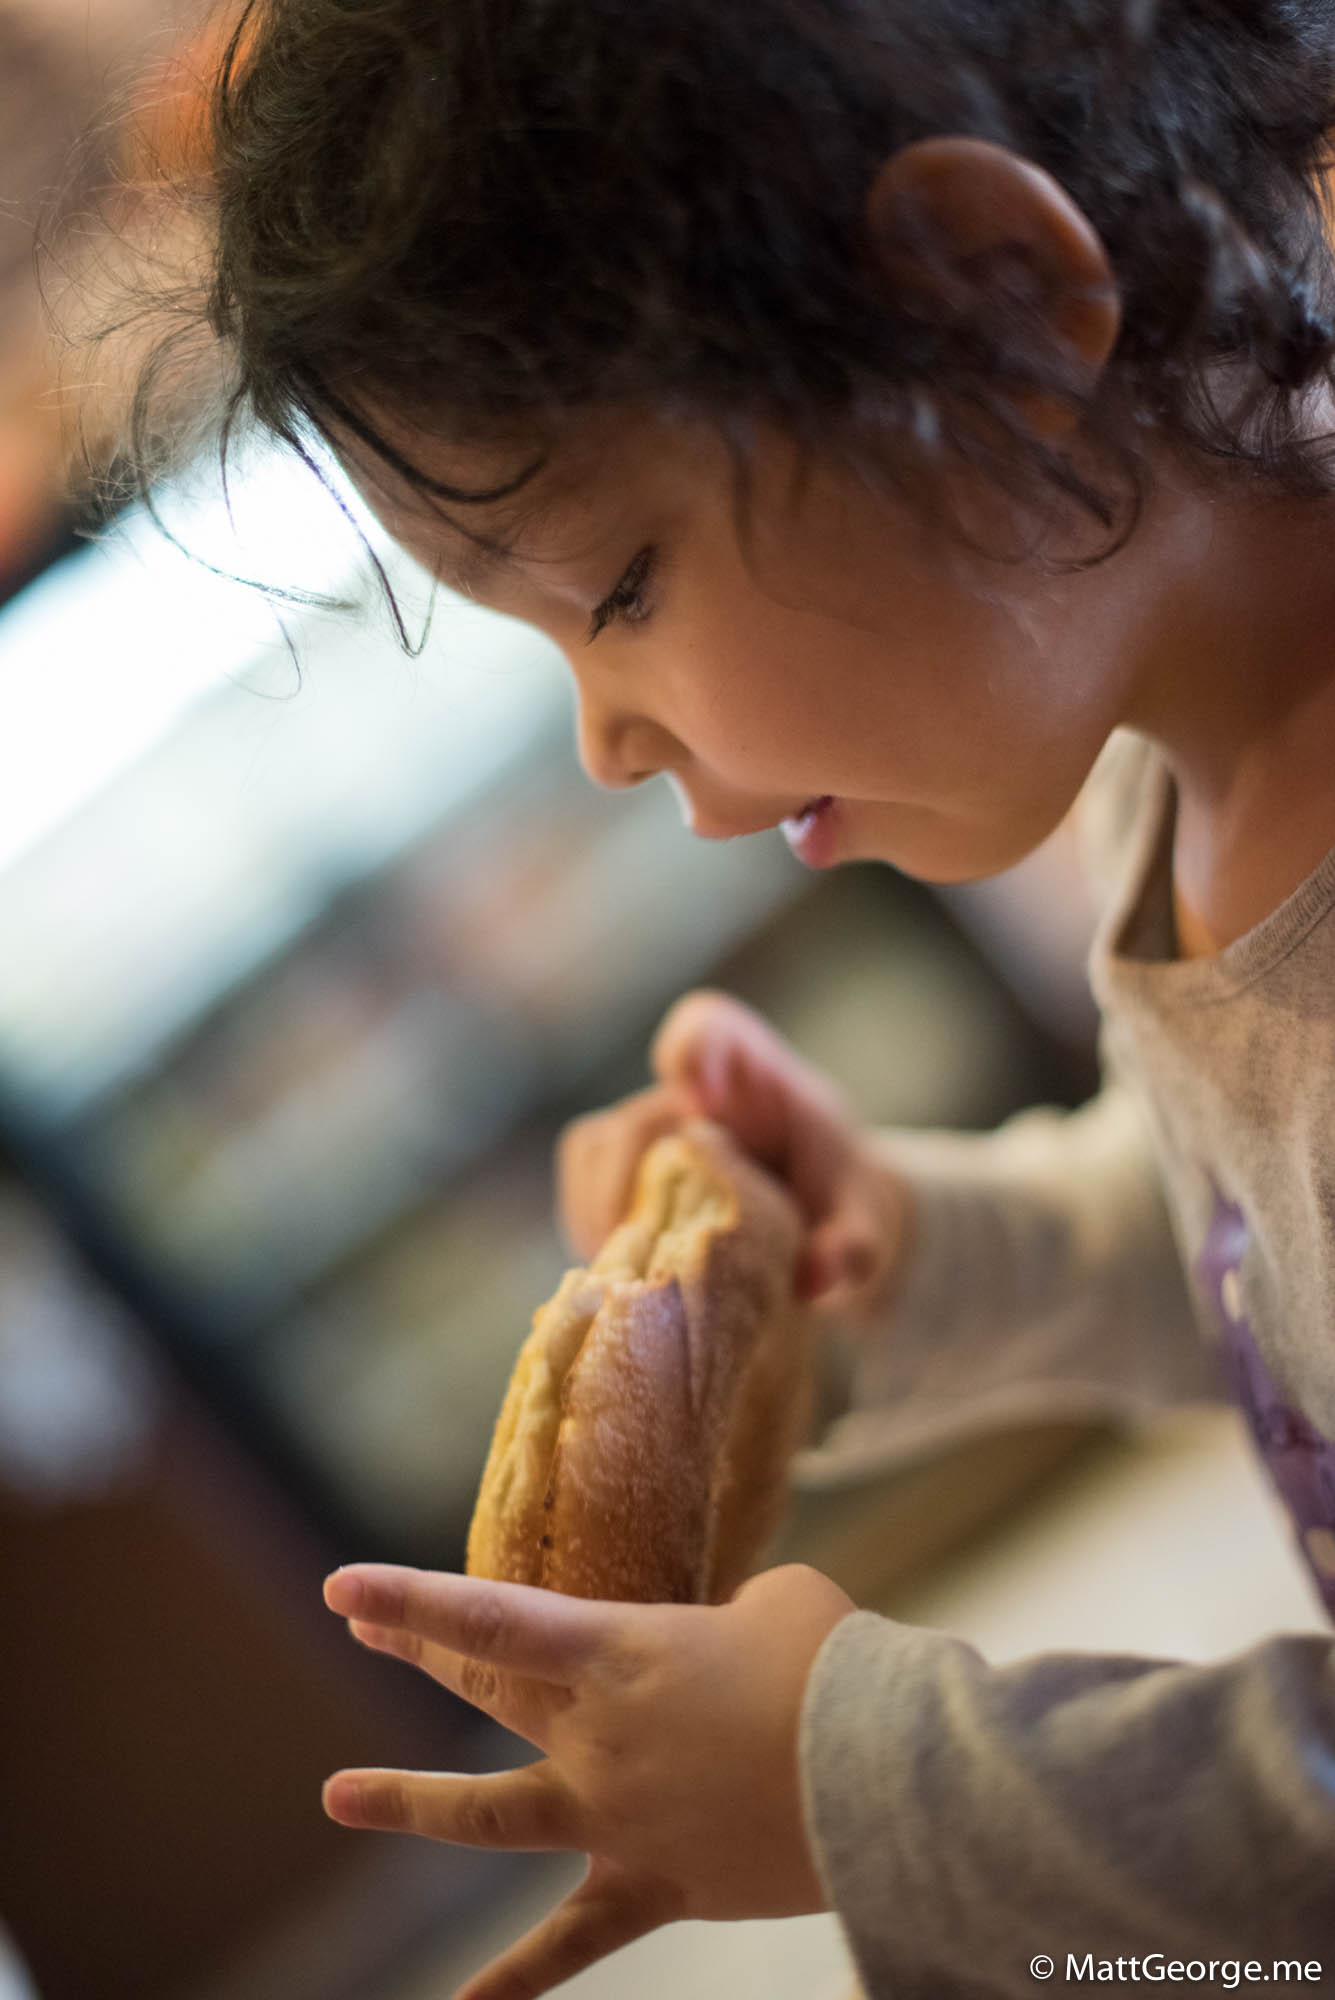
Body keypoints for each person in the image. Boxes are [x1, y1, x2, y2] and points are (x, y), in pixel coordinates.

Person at [120, 0, 1335, 1993]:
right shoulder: (1189, 789)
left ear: (1001, 311)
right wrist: (918, 1246)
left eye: (613, 586)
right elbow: (1250, 1233)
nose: (601, 739)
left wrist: (872, 1784)